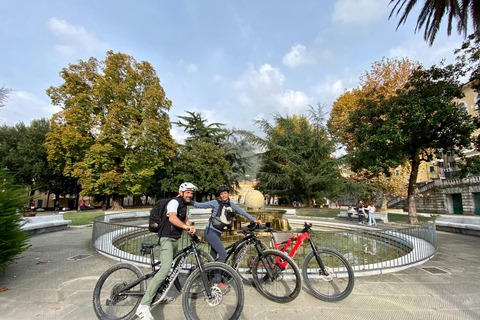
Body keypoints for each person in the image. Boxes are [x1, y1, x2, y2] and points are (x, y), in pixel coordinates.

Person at [136, 182, 197, 320]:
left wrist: (192, 231)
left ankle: (159, 294)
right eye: (188, 192)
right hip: (166, 239)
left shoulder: (183, 205)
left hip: (174, 240)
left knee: (166, 268)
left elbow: (185, 219)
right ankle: (143, 307)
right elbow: (172, 217)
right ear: (181, 191)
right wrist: (186, 228)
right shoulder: (174, 202)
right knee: (165, 269)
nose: (190, 195)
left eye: (191, 193)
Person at [190, 185, 261, 286]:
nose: (224, 195)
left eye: (225, 193)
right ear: (220, 195)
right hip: (210, 232)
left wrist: (254, 220)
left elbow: (242, 212)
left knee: (212, 257)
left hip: (217, 233)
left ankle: (209, 278)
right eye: (222, 194)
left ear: (228, 194)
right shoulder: (215, 202)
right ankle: (217, 282)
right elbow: (199, 205)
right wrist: (188, 200)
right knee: (223, 254)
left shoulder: (231, 205)